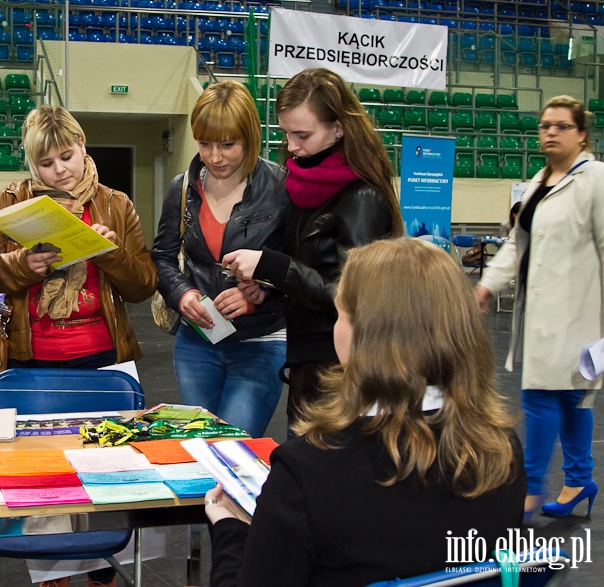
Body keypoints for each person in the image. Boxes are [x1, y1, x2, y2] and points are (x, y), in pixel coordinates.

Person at [205, 238, 525, 587]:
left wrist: (230, 531)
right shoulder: (502, 451)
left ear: (364, 334)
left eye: (340, 314)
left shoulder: (308, 470)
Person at [0, 105, 156, 587]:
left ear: (82, 146)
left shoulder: (116, 204)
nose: (60, 171)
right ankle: (53, 579)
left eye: (67, 157)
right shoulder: (9, 204)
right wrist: (19, 265)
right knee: (44, 494)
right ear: (31, 164)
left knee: (107, 488)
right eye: (46, 163)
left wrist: (109, 254)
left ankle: (104, 577)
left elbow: (142, 285)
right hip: (31, 366)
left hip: (103, 364)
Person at [222, 68, 403, 433]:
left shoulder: (363, 199)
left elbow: (355, 297)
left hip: (344, 368)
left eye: (302, 135)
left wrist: (273, 267)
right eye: (286, 133)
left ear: (339, 128)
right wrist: (267, 287)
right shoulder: (302, 186)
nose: (291, 146)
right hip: (306, 359)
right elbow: (310, 270)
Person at [476, 95, 602, 521]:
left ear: (582, 134)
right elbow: (517, 243)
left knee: (541, 396)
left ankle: (529, 493)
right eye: (545, 125)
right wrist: (488, 284)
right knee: (571, 399)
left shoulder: (596, 179)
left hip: (579, 315)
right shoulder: (540, 179)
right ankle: (579, 480)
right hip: (538, 313)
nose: (549, 132)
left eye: (561, 126)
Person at [151, 80, 288, 438]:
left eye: (228, 144)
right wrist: (182, 294)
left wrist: (261, 291)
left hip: (260, 342)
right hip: (197, 341)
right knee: (199, 448)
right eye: (205, 143)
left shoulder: (280, 188)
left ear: (250, 136)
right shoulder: (181, 188)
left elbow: (297, 267)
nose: (215, 156)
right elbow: (163, 257)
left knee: (233, 447)